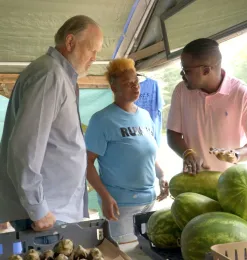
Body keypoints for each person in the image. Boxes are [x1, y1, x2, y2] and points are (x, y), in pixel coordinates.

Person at [0, 15, 103, 237]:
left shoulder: (57, 74)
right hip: (43, 214)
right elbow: (24, 148)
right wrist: (38, 209)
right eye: (91, 50)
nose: (95, 58)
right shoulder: (50, 75)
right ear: (70, 42)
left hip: (52, 209)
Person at [85, 58, 168, 244]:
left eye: (136, 82)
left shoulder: (145, 116)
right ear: (114, 88)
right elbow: (87, 162)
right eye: (128, 84)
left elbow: (148, 156)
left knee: (145, 252)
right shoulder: (102, 120)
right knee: (123, 253)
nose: (135, 87)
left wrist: (161, 176)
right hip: (120, 204)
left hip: (149, 200)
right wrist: (105, 197)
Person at [167, 38, 247, 174]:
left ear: (206, 70)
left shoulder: (242, 94)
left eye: (186, 70)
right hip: (193, 181)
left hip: (228, 182)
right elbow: (172, 134)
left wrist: (237, 154)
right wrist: (187, 153)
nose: (182, 74)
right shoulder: (181, 91)